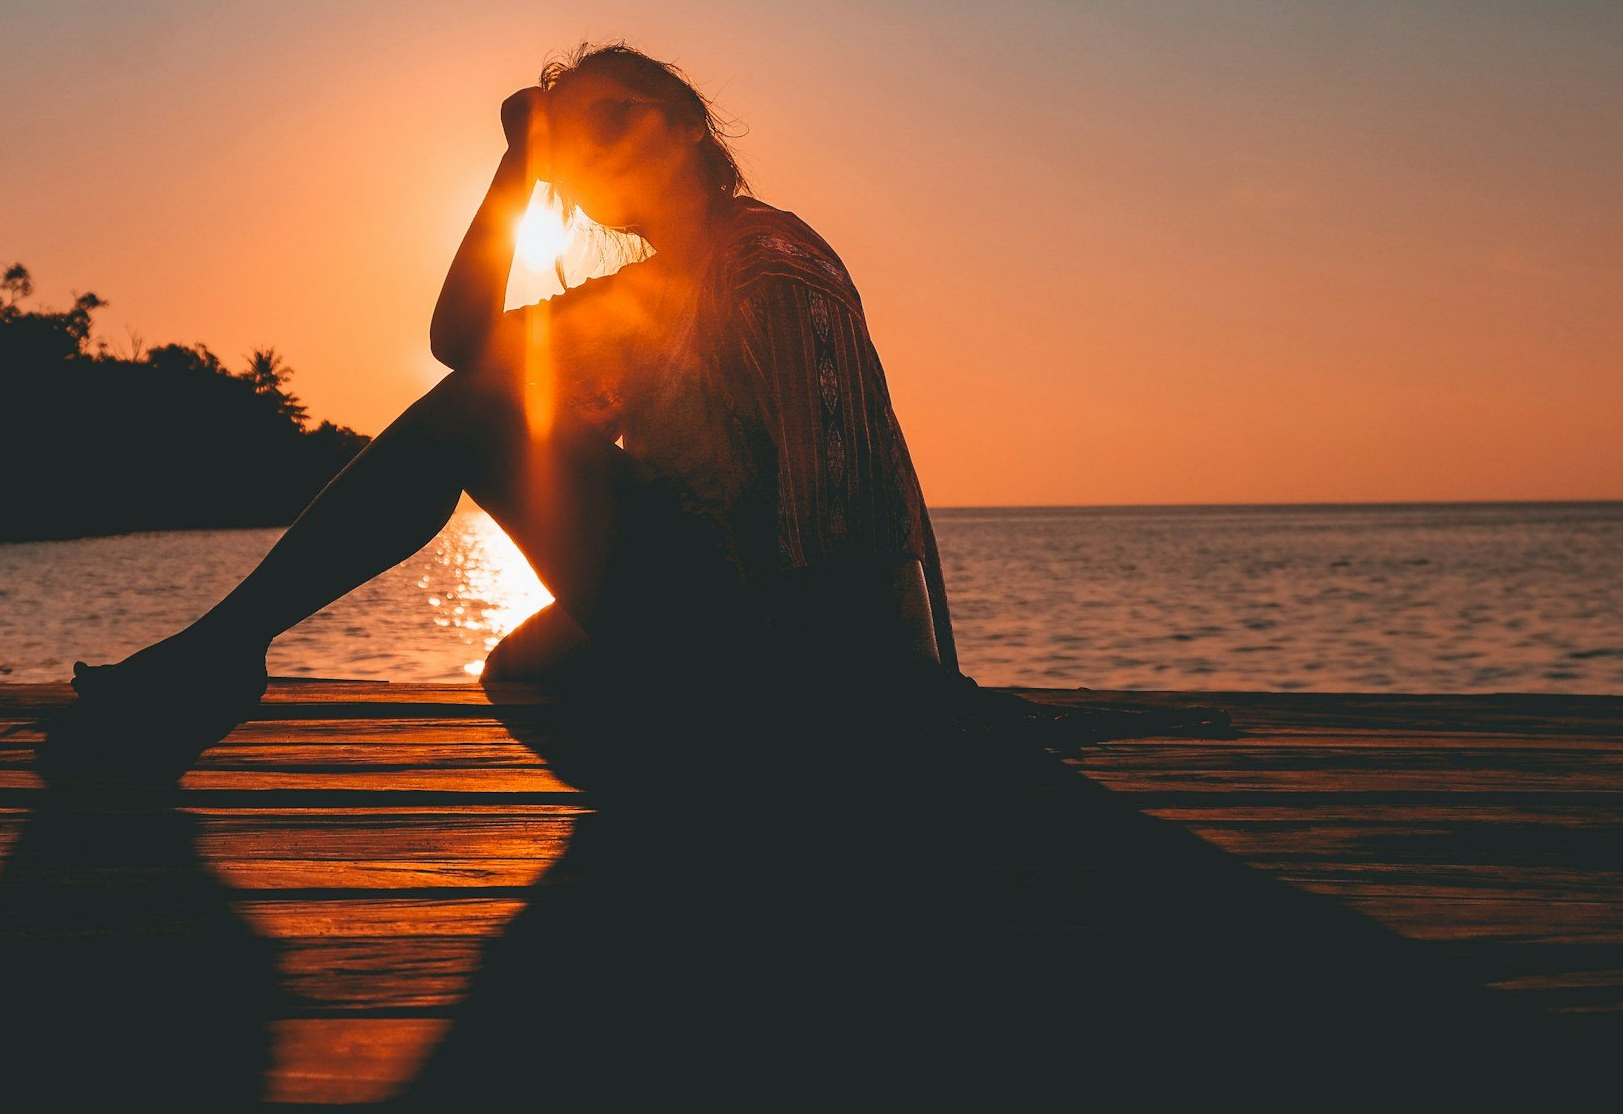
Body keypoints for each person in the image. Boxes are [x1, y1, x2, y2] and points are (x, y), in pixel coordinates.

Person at [71, 41, 964, 764]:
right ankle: (667, 789)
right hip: (715, 608)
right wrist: (514, 168)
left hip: (803, 647)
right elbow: (462, 343)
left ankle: (221, 651)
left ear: (689, 124)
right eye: (570, 144)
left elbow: (848, 525)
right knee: (517, 664)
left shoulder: (771, 265)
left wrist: (877, 706)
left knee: (481, 417)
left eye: (615, 117)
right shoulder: (646, 298)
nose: (594, 151)